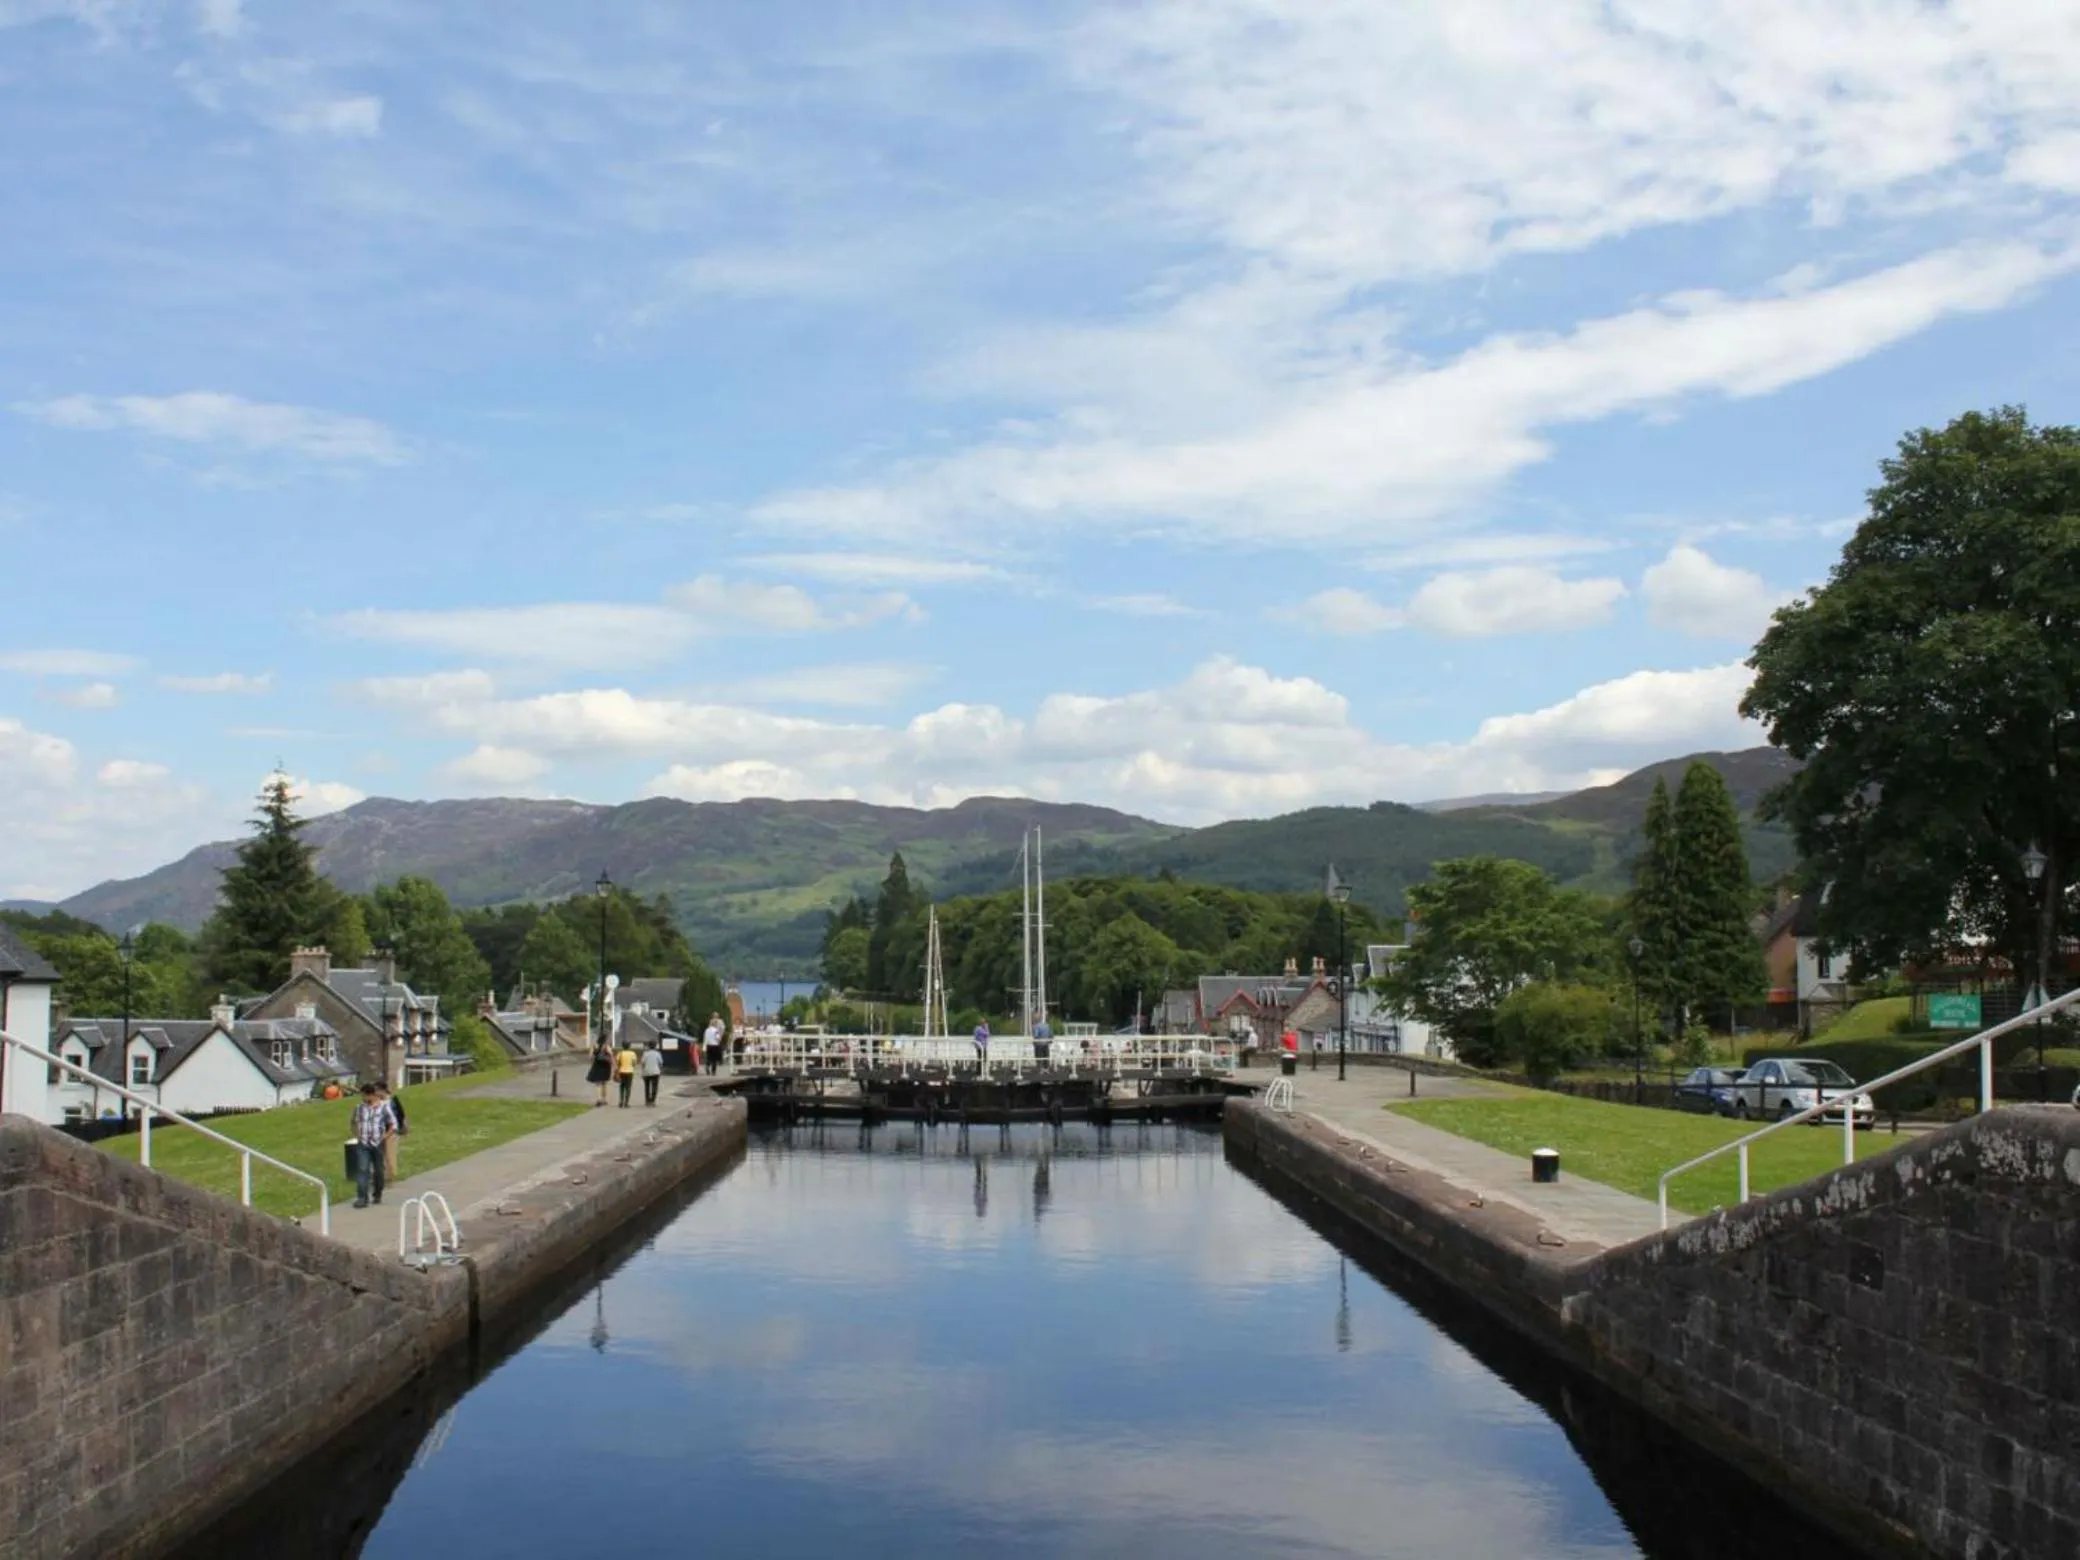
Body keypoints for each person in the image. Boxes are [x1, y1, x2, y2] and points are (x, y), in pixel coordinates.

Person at [350, 1083, 391, 1208]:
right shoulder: (359, 1108)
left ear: (371, 1095)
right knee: (363, 1169)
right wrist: (357, 1135)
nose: (362, 1098)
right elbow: (353, 1122)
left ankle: (377, 1193)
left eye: (364, 1096)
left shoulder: (383, 1108)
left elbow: (392, 1123)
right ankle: (362, 1198)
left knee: (378, 1171)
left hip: (377, 1143)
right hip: (363, 1143)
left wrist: (385, 1136)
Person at [382, 1082, 408, 1180]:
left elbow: (402, 1114)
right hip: (381, 1130)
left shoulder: (393, 1100)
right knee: (382, 1154)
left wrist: (404, 1128)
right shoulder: (378, 1102)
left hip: (392, 1131)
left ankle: (391, 1175)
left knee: (390, 1154)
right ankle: (383, 1174)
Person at [586, 1038, 613, 1107]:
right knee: (605, 1083)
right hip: (606, 1066)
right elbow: (611, 1054)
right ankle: (605, 1099)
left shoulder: (594, 1046)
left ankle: (599, 1099)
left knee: (598, 1083)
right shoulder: (606, 1046)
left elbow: (590, 1056)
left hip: (597, 1065)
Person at [640, 1038, 664, 1105]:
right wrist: (660, 1071)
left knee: (647, 1087)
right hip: (656, 1072)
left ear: (648, 1045)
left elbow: (642, 1063)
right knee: (654, 1087)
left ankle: (647, 1101)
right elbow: (661, 1063)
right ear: (655, 1046)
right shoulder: (658, 1054)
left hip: (647, 1072)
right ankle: (653, 1101)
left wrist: (642, 1072)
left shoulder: (645, 1054)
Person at [615, 1038, 638, 1107]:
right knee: (628, 1087)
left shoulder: (620, 1053)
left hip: (621, 1071)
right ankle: (626, 1102)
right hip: (630, 1071)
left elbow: (617, 1062)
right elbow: (634, 1063)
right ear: (629, 1046)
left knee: (622, 1087)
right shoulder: (632, 1053)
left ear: (622, 1046)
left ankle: (621, 1101)